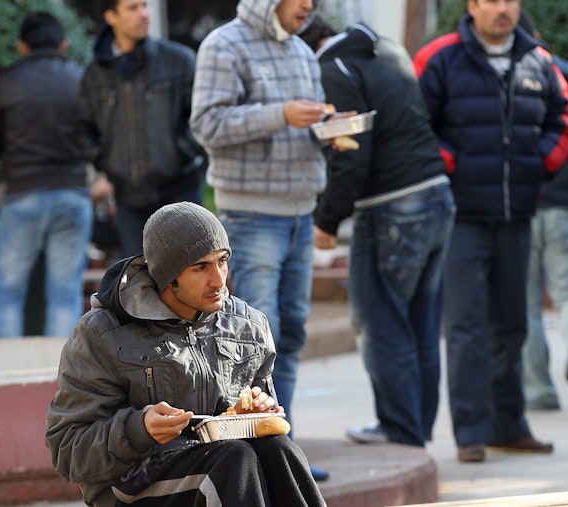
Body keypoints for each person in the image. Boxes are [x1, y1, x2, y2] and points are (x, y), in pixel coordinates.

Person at [45, 201, 326, 507]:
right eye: (201, 267)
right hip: (129, 488)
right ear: (168, 275)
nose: (219, 280)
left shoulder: (248, 325)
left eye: (223, 261)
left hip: (222, 470)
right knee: (234, 461)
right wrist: (138, 430)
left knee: (279, 450)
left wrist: (259, 410)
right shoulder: (101, 333)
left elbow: (260, 424)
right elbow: (68, 452)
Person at [413, 0, 568, 463]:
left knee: (513, 324)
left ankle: (510, 425)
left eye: (510, 0)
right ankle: (471, 434)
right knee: (465, 326)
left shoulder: (539, 60)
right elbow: (418, 125)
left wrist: (540, 164)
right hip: (462, 214)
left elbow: (563, 119)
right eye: (492, 0)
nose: (503, 9)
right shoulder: (439, 57)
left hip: (518, 212)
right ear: (472, 6)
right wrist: (455, 168)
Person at [190, 0, 331, 481]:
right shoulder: (223, 44)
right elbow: (206, 125)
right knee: (249, 341)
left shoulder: (302, 52)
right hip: (250, 215)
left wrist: (328, 129)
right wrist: (279, 115)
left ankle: (282, 451)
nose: (310, 5)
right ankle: (252, 459)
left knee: (289, 332)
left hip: (300, 211)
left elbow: (299, 125)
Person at [300, 17, 456, 448]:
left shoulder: (333, 70)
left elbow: (351, 154)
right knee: (422, 324)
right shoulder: (387, 48)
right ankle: (415, 430)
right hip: (436, 196)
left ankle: (400, 430)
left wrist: (327, 219)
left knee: (381, 321)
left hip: (391, 207)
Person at [0, 12, 92, 339]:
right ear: (64, 44)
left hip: (22, 193)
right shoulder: (80, 78)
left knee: (7, 292)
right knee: (65, 293)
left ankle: (3, 380)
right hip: (72, 191)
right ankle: (63, 380)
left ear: (22, 46)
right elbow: (96, 136)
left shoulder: (8, 80)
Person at [78, 0, 208, 259]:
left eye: (145, 5)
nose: (144, 14)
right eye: (133, 7)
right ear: (111, 16)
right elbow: (84, 130)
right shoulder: (95, 75)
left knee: (191, 278)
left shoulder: (179, 61)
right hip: (129, 201)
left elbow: (202, 120)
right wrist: (109, 163)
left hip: (179, 191)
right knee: (140, 287)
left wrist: (176, 155)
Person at [517, 10, 568, 410]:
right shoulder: (565, 73)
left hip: (521, 204)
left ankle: (539, 391)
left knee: (528, 303)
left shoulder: (505, 77)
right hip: (564, 204)